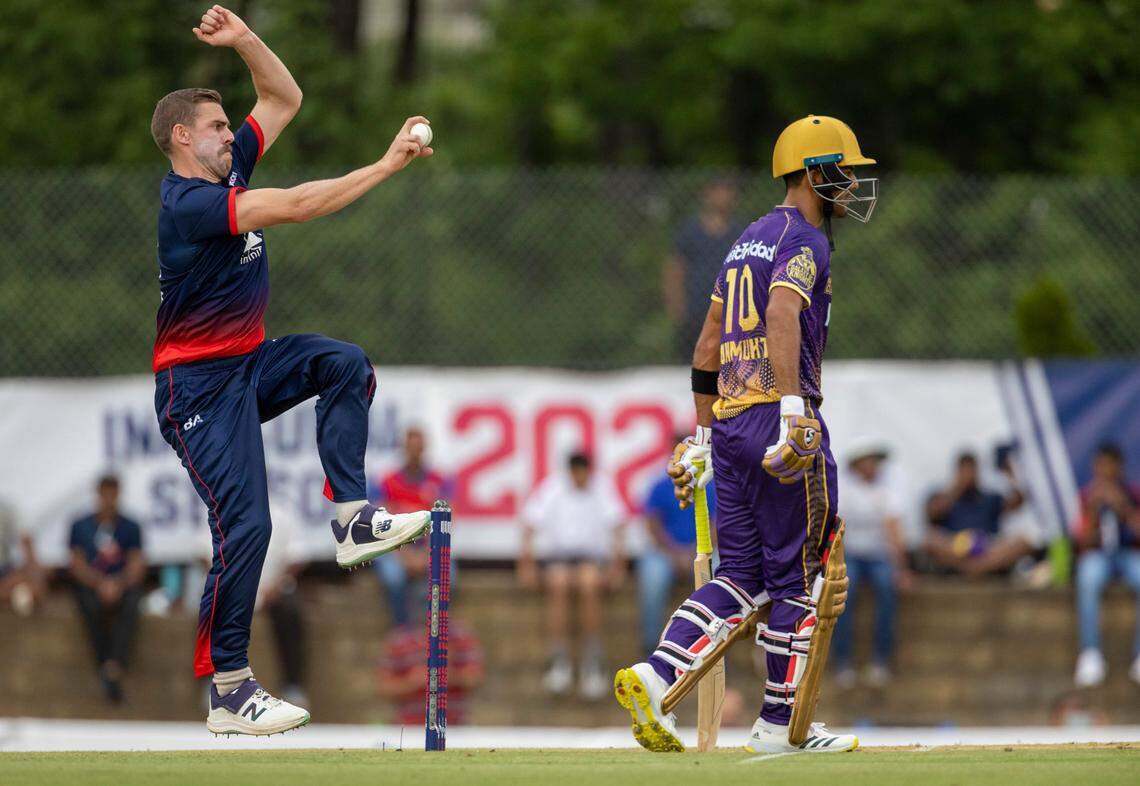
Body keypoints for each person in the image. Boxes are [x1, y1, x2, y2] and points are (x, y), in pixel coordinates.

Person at [149, 5, 434, 735]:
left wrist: (244, 40)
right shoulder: (190, 204)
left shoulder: (228, 166)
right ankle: (230, 690)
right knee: (246, 524)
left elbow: (283, 99)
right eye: (216, 128)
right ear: (184, 138)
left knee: (343, 364)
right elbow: (302, 206)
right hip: (197, 388)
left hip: (245, 364)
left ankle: (351, 516)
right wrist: (385, 164)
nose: (230, 134)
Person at [613, 115, 878, 754]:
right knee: (796, 579)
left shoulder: (746, 240)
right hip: (777, 419)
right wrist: (792, 410)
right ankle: (778, 728)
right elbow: (784, 311)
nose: (852, 187)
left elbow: (707, 343)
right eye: (844, 172)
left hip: (730, 424)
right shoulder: (806, 239)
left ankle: (656, 673)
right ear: (816, 173)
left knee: (741, 577)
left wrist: (703, 434)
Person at [518, 452, 627, 701]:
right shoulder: (553, 488)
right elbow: (529, 523)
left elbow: (619, 524)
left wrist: (617, 567)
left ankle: (592, 660)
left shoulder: (602, 488)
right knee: (558, 584)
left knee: (589, 584)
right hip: (558, 558)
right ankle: (560, 659)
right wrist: (526, 565)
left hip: (590, 560)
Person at [831, 440, 911, 688]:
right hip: (851, 555)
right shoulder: (846, 490)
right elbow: (836, 531)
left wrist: (902, 569)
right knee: (844, 595)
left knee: (887, 589)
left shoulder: (887, 491)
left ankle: (880, 661)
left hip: (879, 556)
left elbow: (894, 532)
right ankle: (843, 662)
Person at [68, 475, 146, 703]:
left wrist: (117, 584)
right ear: (99, 495)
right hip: (93, 584)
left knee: (132, 604)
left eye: (113, 495)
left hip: (120, 584)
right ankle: (107, 662)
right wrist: (100, 583)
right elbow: (77, 565)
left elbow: (137, 565)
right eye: (106, 494)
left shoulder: (131, 527)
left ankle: (113, 663)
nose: (109, 500)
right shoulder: (80, 525)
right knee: (88, 606)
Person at [637, 439, 717, 653]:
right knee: (652, 583)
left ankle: (716, 644)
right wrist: (676, 554)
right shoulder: (659, 485)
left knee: (718, 583)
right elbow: (652, 525)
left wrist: (694, 553)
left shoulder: (708, 484)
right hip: (665, 553)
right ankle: (651, 645)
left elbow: (716, 526)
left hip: (701, 550)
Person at [1071, 443, 1140, 687]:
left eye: (1110, 465)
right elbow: (1083, 541)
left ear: (1119, 467)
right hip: (1098, 554)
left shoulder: (1132, 493)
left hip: (1127, 553)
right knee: (1088, 577)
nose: (1105, 471)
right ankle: (1090, 652)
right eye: (1100, 466)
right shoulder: (1086, 496)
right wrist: (1093, 508)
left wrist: (1122, 505)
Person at [371, 426, 450, 629]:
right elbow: (384, 524)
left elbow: (444, 523)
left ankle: (428, 630)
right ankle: (402, 630)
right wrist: (405, 555)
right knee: (394, 579)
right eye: (410, 447)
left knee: (448, 578)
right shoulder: (387, 482)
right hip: (395, 548)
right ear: (403, 448)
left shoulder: (438, 481)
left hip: (428, 548)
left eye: (418, 448)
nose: (414, 453)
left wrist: (426, 555)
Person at [664, 180, 742, 361]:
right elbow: (675, 269)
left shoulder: (741, 231)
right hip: (695, 312)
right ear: (707, 195)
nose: (722, 196)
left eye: (727, 191)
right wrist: (676, 306)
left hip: (730, 313)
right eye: (718, 191)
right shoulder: (690, 230)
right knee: (690, 364)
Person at [924, 452, 1033, 577]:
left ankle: (975, 568)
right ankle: (974, 568)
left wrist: (1011, 475)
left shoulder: (990, 498)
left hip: (988, 548)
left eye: (971, 470)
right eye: (964, 471)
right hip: (955, 548)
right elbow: (931, 515)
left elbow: (1017, 502)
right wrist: (958, 488)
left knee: (1021, 541)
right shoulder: (944, 497)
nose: (969, 475)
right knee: (930, 540)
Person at [0, 497, 47, 616]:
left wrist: (35, 578)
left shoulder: (6, 509)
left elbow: (26, 541)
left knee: (24, 592)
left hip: (5, 570)